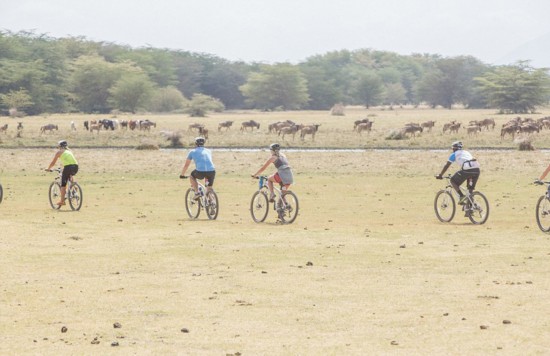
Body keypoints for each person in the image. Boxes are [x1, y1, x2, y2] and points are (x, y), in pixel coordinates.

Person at [46, 140, 79, 206]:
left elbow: (53, 162)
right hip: (76, 167)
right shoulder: (69, 151)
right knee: (70, 175)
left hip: (68, 167)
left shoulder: (59, 152)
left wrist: (48, 168)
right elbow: (69, 161)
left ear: (60, 146)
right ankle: (74, 188)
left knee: (63, 184)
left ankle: (62, 201)